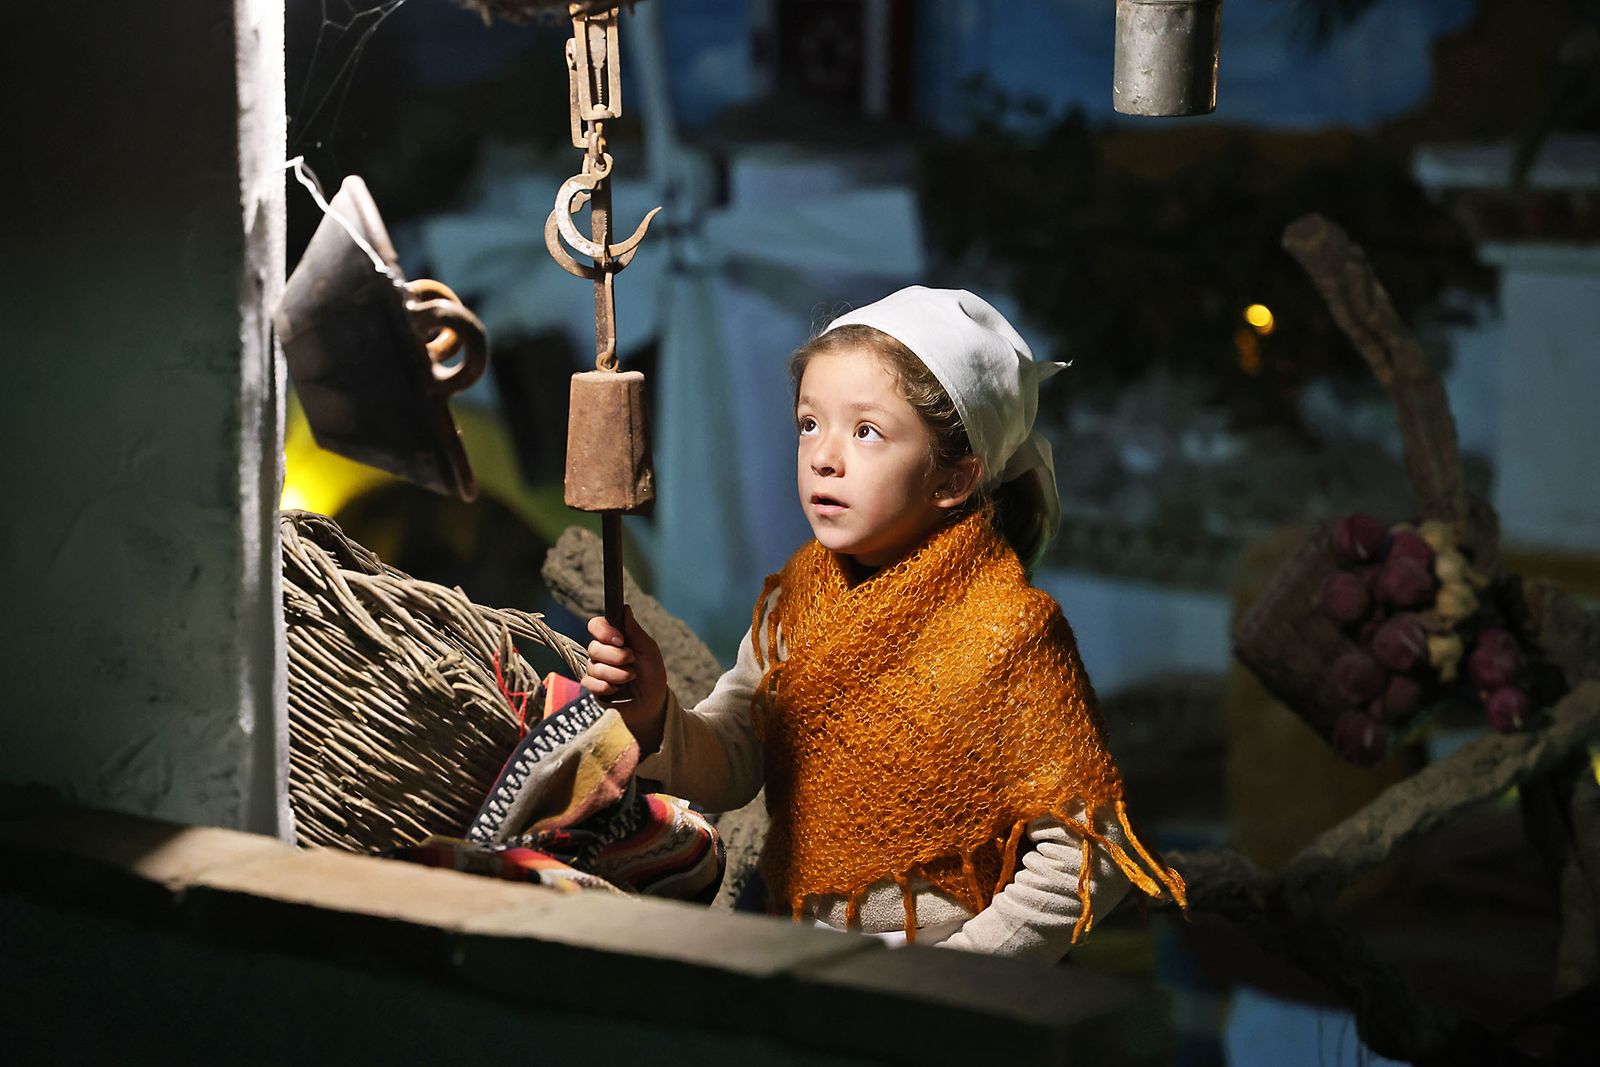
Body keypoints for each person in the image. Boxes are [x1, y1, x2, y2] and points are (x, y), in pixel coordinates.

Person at [581, 286, 1186, 961]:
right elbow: (736, 758)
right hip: (808, 961)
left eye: (866, 431)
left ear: (952, 479)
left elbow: (1087, 855)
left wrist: (957, 972)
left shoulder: (1005, 633)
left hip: (940, 992)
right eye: (810, 424)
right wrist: (656, 714)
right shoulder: (796, 602)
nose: (823, 456)